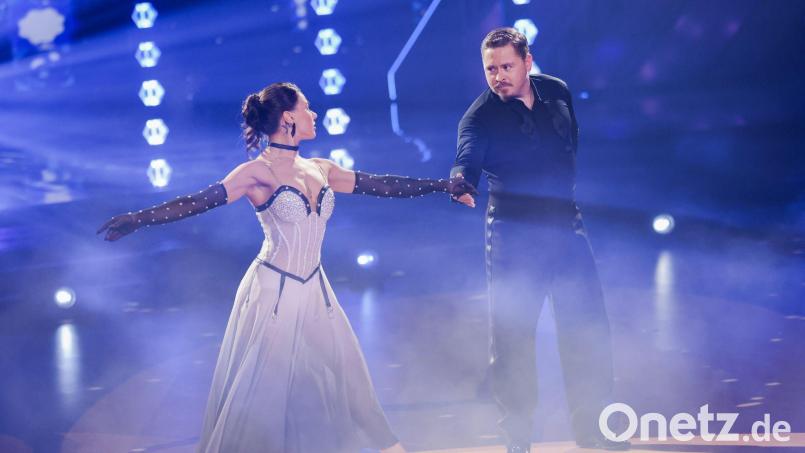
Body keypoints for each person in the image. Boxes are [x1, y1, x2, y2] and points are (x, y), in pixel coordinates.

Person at [97, 82, 476, 453]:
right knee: (261, 398)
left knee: (350, 377)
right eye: (306, 108)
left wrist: (444, 185)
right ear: (287, 118)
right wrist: (140, 218)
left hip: (315, 287)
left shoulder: (320, 168)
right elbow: (200, 201)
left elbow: (382, 185)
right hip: (273, 290)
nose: (314, 114)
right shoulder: (255, 172)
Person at [450, 28, 629, 452]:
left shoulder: (557, 91)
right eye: (490, 69)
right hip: (514, 236)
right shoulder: (479, 117)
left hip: (567, 226)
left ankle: (594, 431)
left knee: (587, 330)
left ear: (527, 62)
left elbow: (572, 145)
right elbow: (467, 153)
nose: (498, 76)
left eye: (506, 66)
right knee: (512, 337)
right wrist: (462, 180)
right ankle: (517, 440)